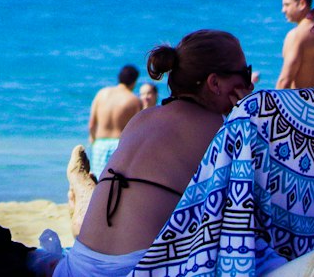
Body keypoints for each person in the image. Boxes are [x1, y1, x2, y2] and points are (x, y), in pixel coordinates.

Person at [58, 30, 256, 277]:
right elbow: (258, 203)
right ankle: (84, 196)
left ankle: (85, 196)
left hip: (77, 265)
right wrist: (251, 113)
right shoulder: (220, 129)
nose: (250, 85)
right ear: (214, 83)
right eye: (245, 74)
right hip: (136, 269)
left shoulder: (141, 119)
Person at [88, 66, 141, 177]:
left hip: (100, 144)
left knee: (99, 182)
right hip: (119, 145)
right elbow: (137, 130)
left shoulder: (101, 94)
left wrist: (93, 141)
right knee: (116, 185)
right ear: (134, 81)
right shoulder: (134, 100)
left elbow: (92, 124)